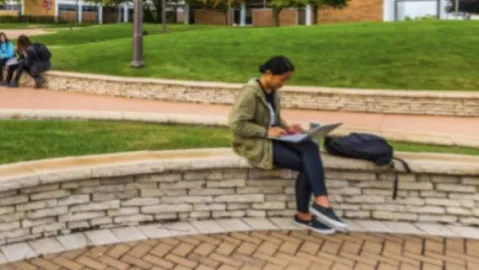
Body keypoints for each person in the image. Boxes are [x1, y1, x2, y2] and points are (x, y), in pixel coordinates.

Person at [228, 56, 348, 234]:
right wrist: (266, 132)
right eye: (282, 79)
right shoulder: (250, 93)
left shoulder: (273, 93)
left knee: (311, 147)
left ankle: (320, 204)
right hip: (254, 143)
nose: (283, 83)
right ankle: (307, 213)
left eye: (286, 80)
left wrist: (287, 127)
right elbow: (236, 124)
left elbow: (273, 118)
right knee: (306, 164)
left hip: (272, 138)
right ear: (268, 74)